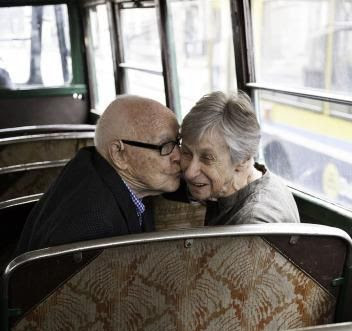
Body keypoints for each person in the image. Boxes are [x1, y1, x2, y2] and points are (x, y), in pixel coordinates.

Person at [16, 95, 181, 253]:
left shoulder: (93, 163)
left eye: (177, 143)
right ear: (118, 154)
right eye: (165, 146)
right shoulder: (93, 225)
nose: (178, 157)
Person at [180, 91, 300, 225]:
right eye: (186, 152)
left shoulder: (253, 222)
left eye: (207, 158)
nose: (189, 173)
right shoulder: (259, 180)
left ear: (243, 159)